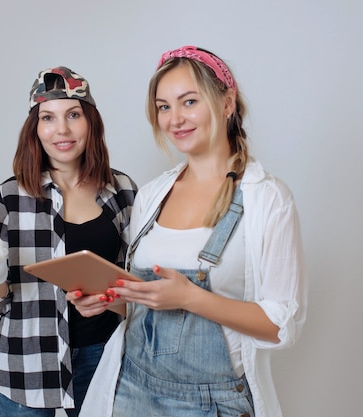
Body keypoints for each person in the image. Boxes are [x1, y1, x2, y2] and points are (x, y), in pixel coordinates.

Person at [67, 46, 307, 417]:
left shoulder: (267, 199)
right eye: (163, 107)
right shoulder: (151, 195)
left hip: (213, 403)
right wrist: (106, 301)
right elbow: (142, 303)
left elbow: (280, 325)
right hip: (130, 389)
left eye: (188, 101)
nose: (175, 119)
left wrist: (191, 298)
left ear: (227, 103)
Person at [0, 66, 138, 416]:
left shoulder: (123, 190)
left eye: (73, 115)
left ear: (90, 122)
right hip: (25, 368)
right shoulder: (9, 196)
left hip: (105, 358)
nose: (61, 129)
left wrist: (112, 299)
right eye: (48, 117)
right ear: (36, 129)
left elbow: (140, 285)